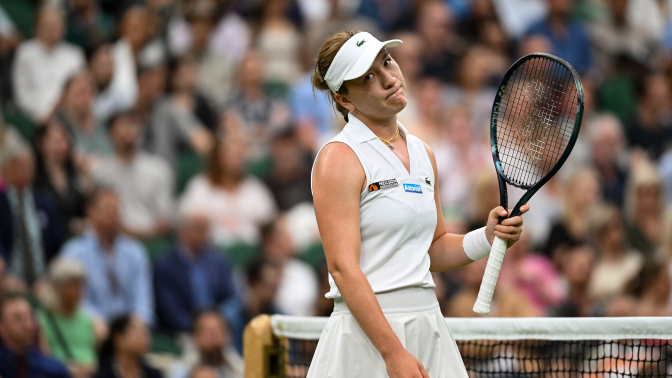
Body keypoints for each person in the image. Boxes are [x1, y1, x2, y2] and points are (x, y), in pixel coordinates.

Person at [308, 30, 526, 378]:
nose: (389, 78)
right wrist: (393, 352)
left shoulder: (424, 153)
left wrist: (487, 236)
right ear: (344, 100)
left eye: (387, 62)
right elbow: (342, 270)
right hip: (368, 339)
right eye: (368, 77)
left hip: (429, 325)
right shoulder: (338, 158)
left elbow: (434, 249)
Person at [61, 188, 153, 325]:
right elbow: (77, 302)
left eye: (117, 208)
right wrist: (104, 327)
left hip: (131, 331)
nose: (114, 213)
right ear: (90, 212)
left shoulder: (135, 252)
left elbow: (143, 300)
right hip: (93, 330)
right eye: (108, 208)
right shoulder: (73, 253)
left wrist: (136, 325)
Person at [179, 133, 276, 248]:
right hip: (210, 251)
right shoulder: (200, 186)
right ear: (218, 155)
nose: (236, 158)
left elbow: (269, 221)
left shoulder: (255, 188)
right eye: (230, 152)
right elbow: (186, 217)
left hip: (251, 253)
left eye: (239, 154)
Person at [154, 209, 238, 334]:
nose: (204, 235)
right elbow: (169, 309)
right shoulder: (165, 266)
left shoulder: (218, 261)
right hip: (182, 332)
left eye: (206, 230)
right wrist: (199, 329)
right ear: (183, 231)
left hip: (217, 331)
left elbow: (231, 298)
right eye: (199, 230)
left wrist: (217, 325)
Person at [91, 112, 173, 240]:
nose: (127, 131)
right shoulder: (100, 171)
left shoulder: (159, 169)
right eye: (122, 126)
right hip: (114, 240)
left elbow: (164, 222)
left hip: (152, 240)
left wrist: (138, 232)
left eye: (133, 125)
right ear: (111, 134)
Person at [0, 142, 64, 288]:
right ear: (4, 170)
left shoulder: (46, 204)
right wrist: (7, 277)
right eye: (15, 165)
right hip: (8, 281)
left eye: (25, 165)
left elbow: (57, 244)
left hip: (45, 281)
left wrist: (48, 277)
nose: (21, 171)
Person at [12, 5, 86, 123]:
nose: (53, 29)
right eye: (48, 25)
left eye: (57, 24)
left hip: (68, 118)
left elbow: (81, 90)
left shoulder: (75, 55)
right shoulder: (25, 53)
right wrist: (44, 114)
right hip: (35, 117)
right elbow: (22, 94)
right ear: (37, 26)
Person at [36, 257, 99, 378]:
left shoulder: (87, 319)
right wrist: (71, 369)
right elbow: (44, 358)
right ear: (57, 287)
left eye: (82, 285)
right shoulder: (41, 319)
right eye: (74, 285)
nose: (80, 291)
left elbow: (95, 355)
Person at [33, 119, 89, 237]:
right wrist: (68, 224)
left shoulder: (75, 174)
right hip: (48, 237)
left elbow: (87, 206)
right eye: (57, 141)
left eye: (66, 141)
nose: (63, 146)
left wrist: (85, 173)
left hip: (79, 237)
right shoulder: (34, 178)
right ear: (42, 143)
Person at [0, 293, 71, 378]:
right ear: (2, 327)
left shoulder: (54, 369)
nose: (27, 325)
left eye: (29, 316)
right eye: (17, 318)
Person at [169, 310, 243, 378]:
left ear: (228, 336)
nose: (214, 335)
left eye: (218, 330)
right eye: (207, 331)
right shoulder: (181, 369)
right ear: (195, 336)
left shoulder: (238, 367)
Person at [95, 315, 161, 378]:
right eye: (136, 332)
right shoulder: (102, 374)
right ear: (118, 338)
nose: (144, 338)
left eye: (145, 333)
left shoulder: (153, 374)